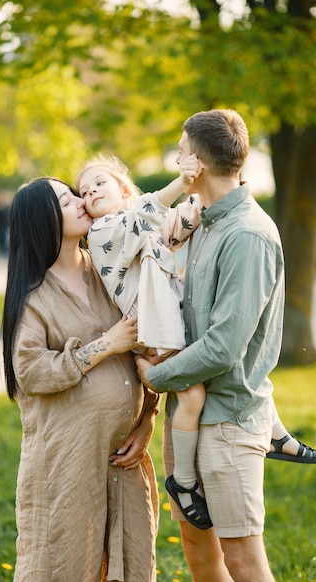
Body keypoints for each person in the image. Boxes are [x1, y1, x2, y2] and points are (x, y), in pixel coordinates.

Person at [134, 109, 316, 582]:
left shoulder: (248, 234)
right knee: (200, 555)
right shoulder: (204, 221)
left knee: (243, 560)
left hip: (229, 419)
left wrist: (155, 378)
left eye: (179, 149)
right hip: (188, 413)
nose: (174, 158)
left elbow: (223, 347)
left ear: (195, 161)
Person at [1, 177, 161, 582]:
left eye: (76, 193)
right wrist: (104, 345)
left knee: (135, 578)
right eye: (65, 199)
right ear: (42, 221)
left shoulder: (108, 269)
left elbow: (149, 346)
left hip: (122, 460)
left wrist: (147, 419)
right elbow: (31, 371)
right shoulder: (34, 294)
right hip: (66, 466)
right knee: (60, 581)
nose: (81, 200)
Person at [77, 154, 212, 530]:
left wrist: (216, 189)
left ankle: (272, 431)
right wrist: (182, 181)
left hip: (169, 324)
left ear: (122, 187)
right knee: (194, 395)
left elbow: (178, 222)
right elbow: (148, 212)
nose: (90, 193)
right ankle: (183, 482)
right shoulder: (104, 232)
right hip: (152, 331)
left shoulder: (139, 224)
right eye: (84, 193)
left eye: (98, 184)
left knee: (213, 377)